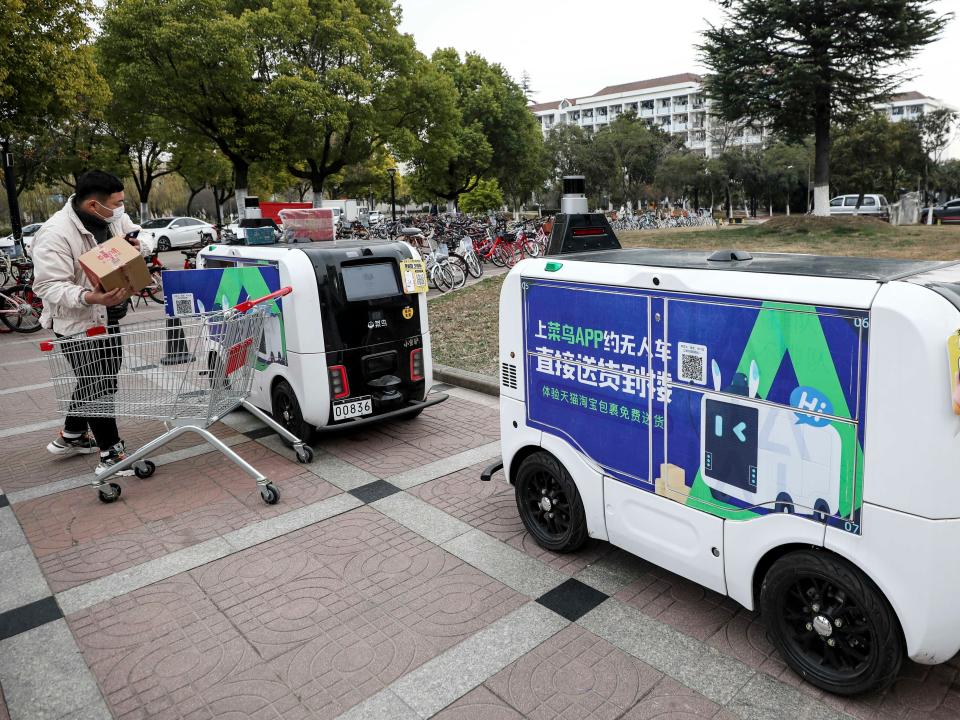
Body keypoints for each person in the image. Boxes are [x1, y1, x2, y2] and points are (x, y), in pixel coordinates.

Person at [32, 170, 143, 475]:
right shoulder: (55, 234)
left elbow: (136, 236)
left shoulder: (113, 218)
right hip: (77, 323)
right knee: (99, 385)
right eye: (117, 203)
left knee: (103, 377)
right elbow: (47, 286)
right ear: (94, 205)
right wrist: (88, 297)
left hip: (110, 315)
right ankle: (111, 454)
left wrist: (137, 247)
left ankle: (72, 433)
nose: (122, 209)